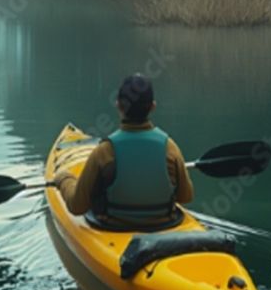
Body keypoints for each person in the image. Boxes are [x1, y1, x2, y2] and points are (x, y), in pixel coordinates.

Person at [54, 73, 193, 226]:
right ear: (153, 107)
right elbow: (185, 197)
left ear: (118, 106)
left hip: (115, 227)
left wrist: (63, 179)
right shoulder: (170, 148)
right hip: (163, 225)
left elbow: (77, 206)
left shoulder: (104, 152)